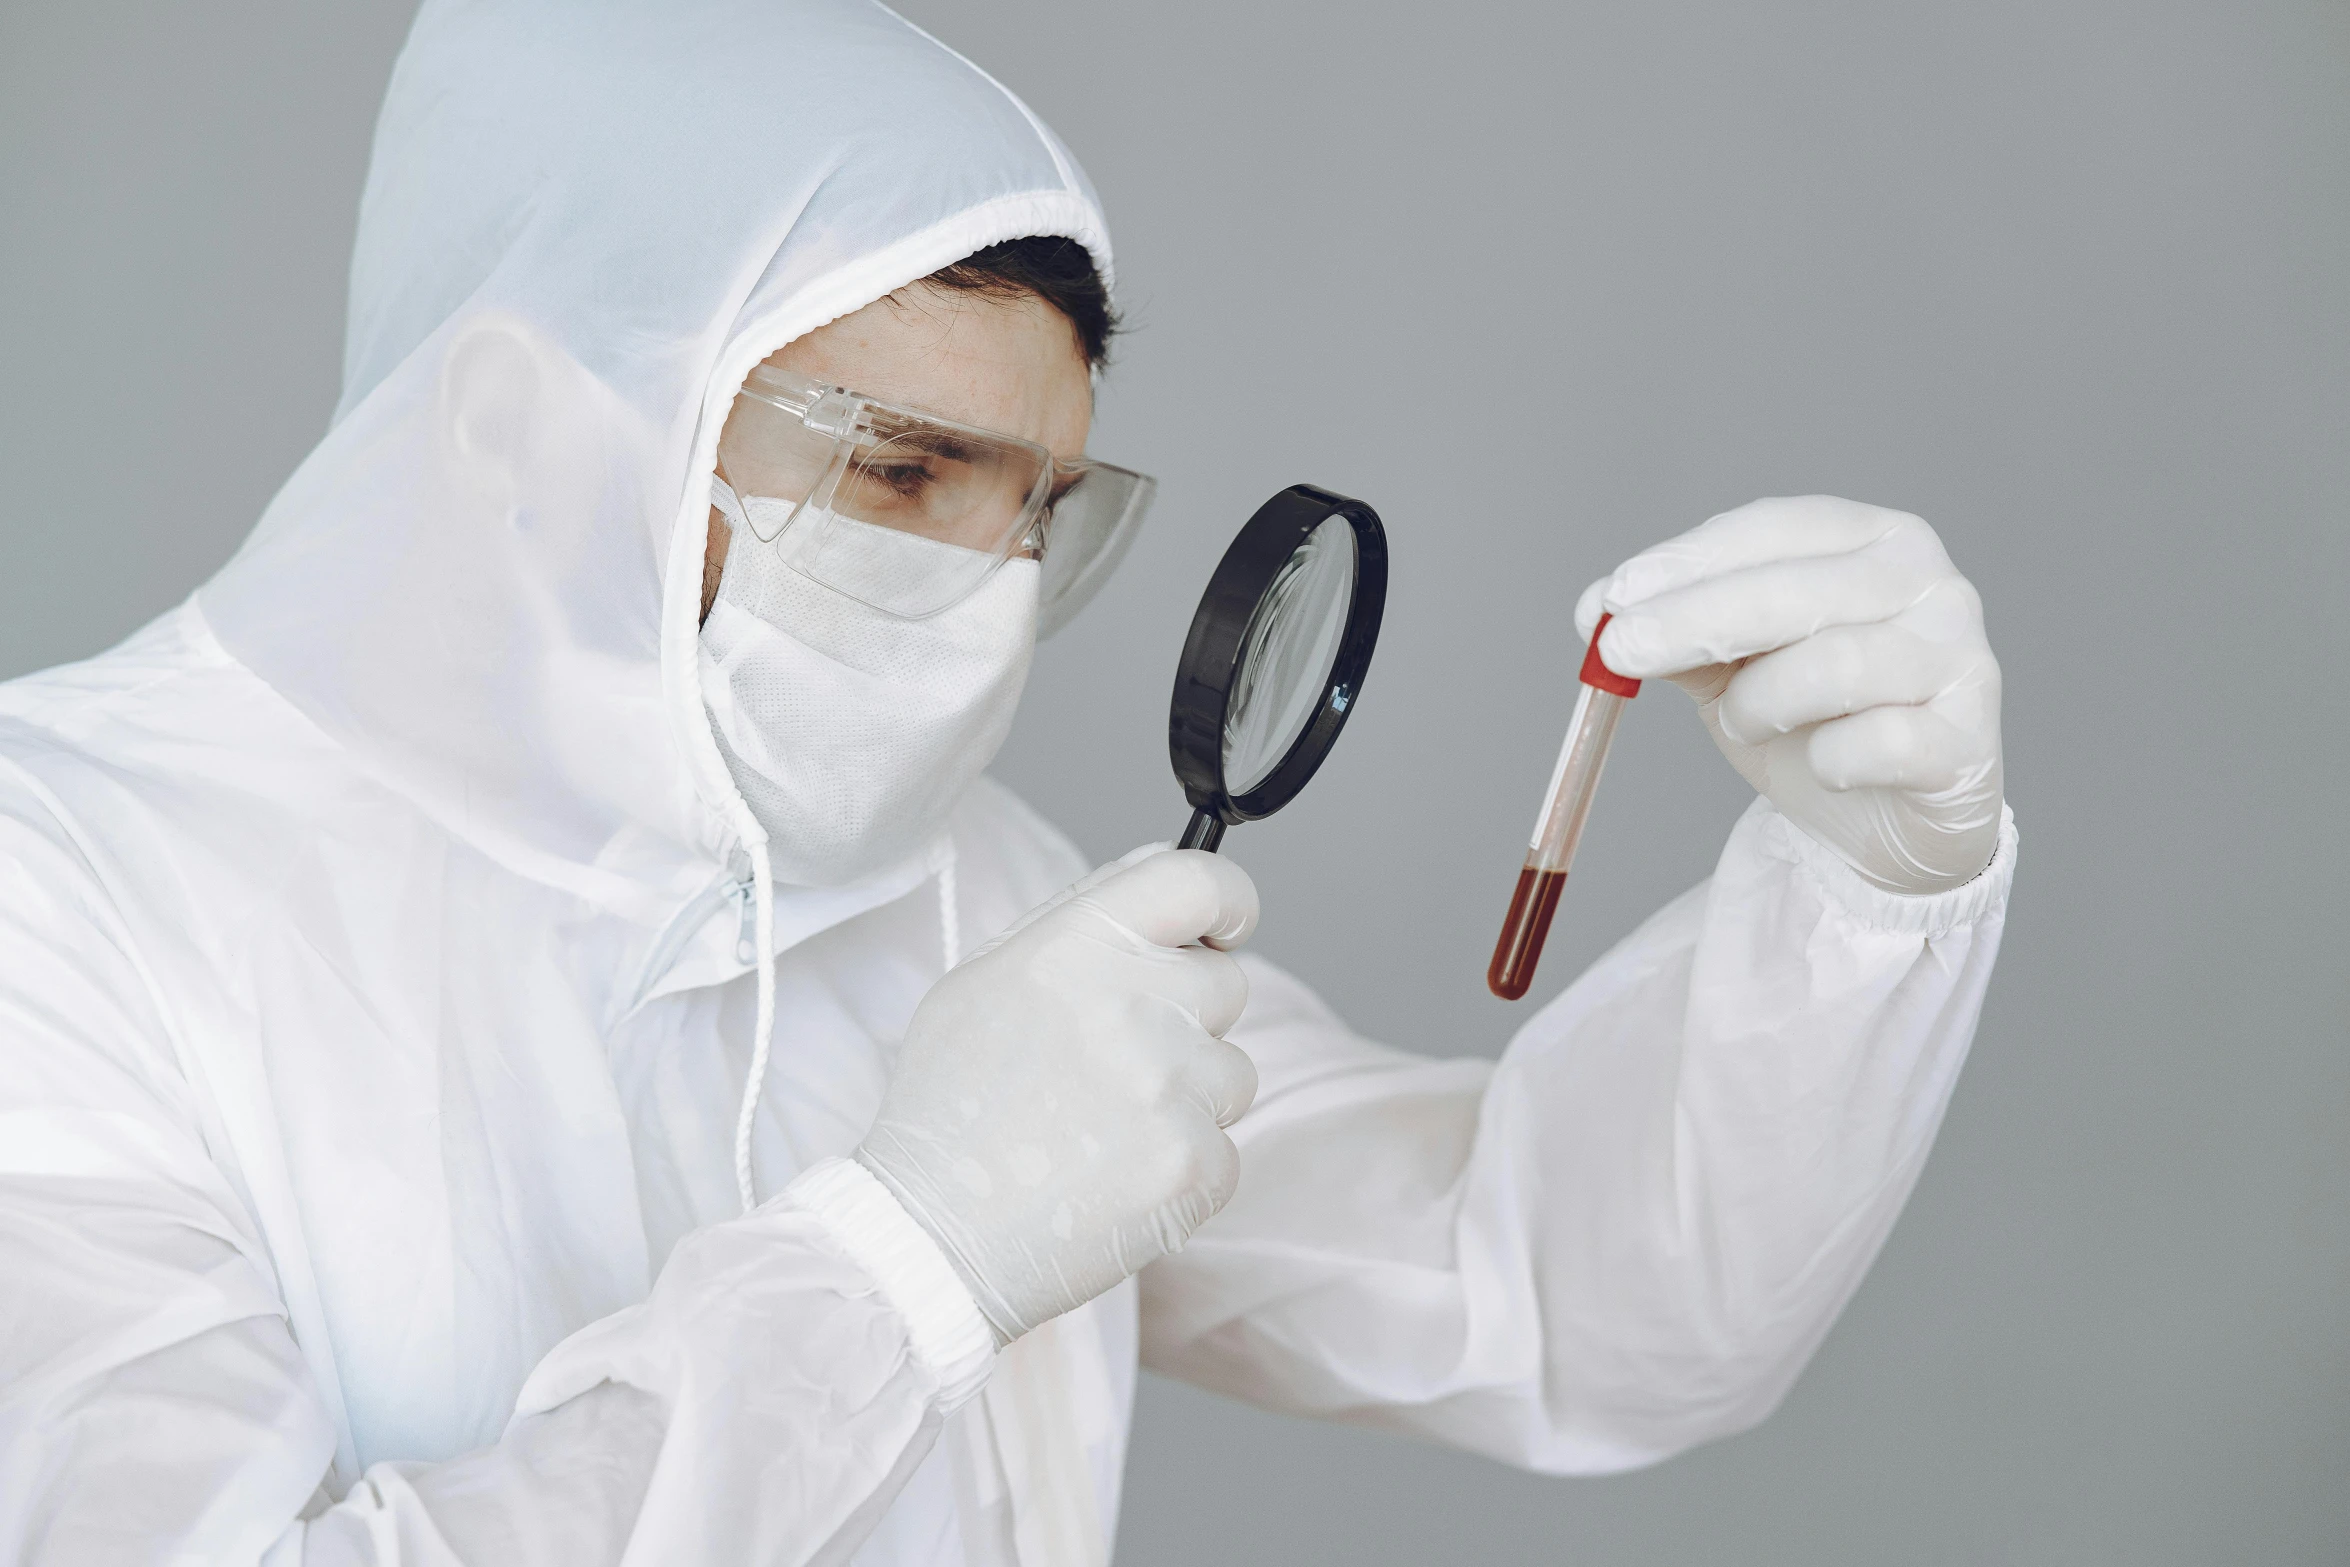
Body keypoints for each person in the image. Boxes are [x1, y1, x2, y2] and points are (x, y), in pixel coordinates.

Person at [0, 2, 2014, 1563]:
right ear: (524, 423)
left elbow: (1563, 1303)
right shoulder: (64, 896)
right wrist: (901, 1261)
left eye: (1038, 508)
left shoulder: (968, 895)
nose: (978, 592)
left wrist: (1866, 895)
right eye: (899, 473)